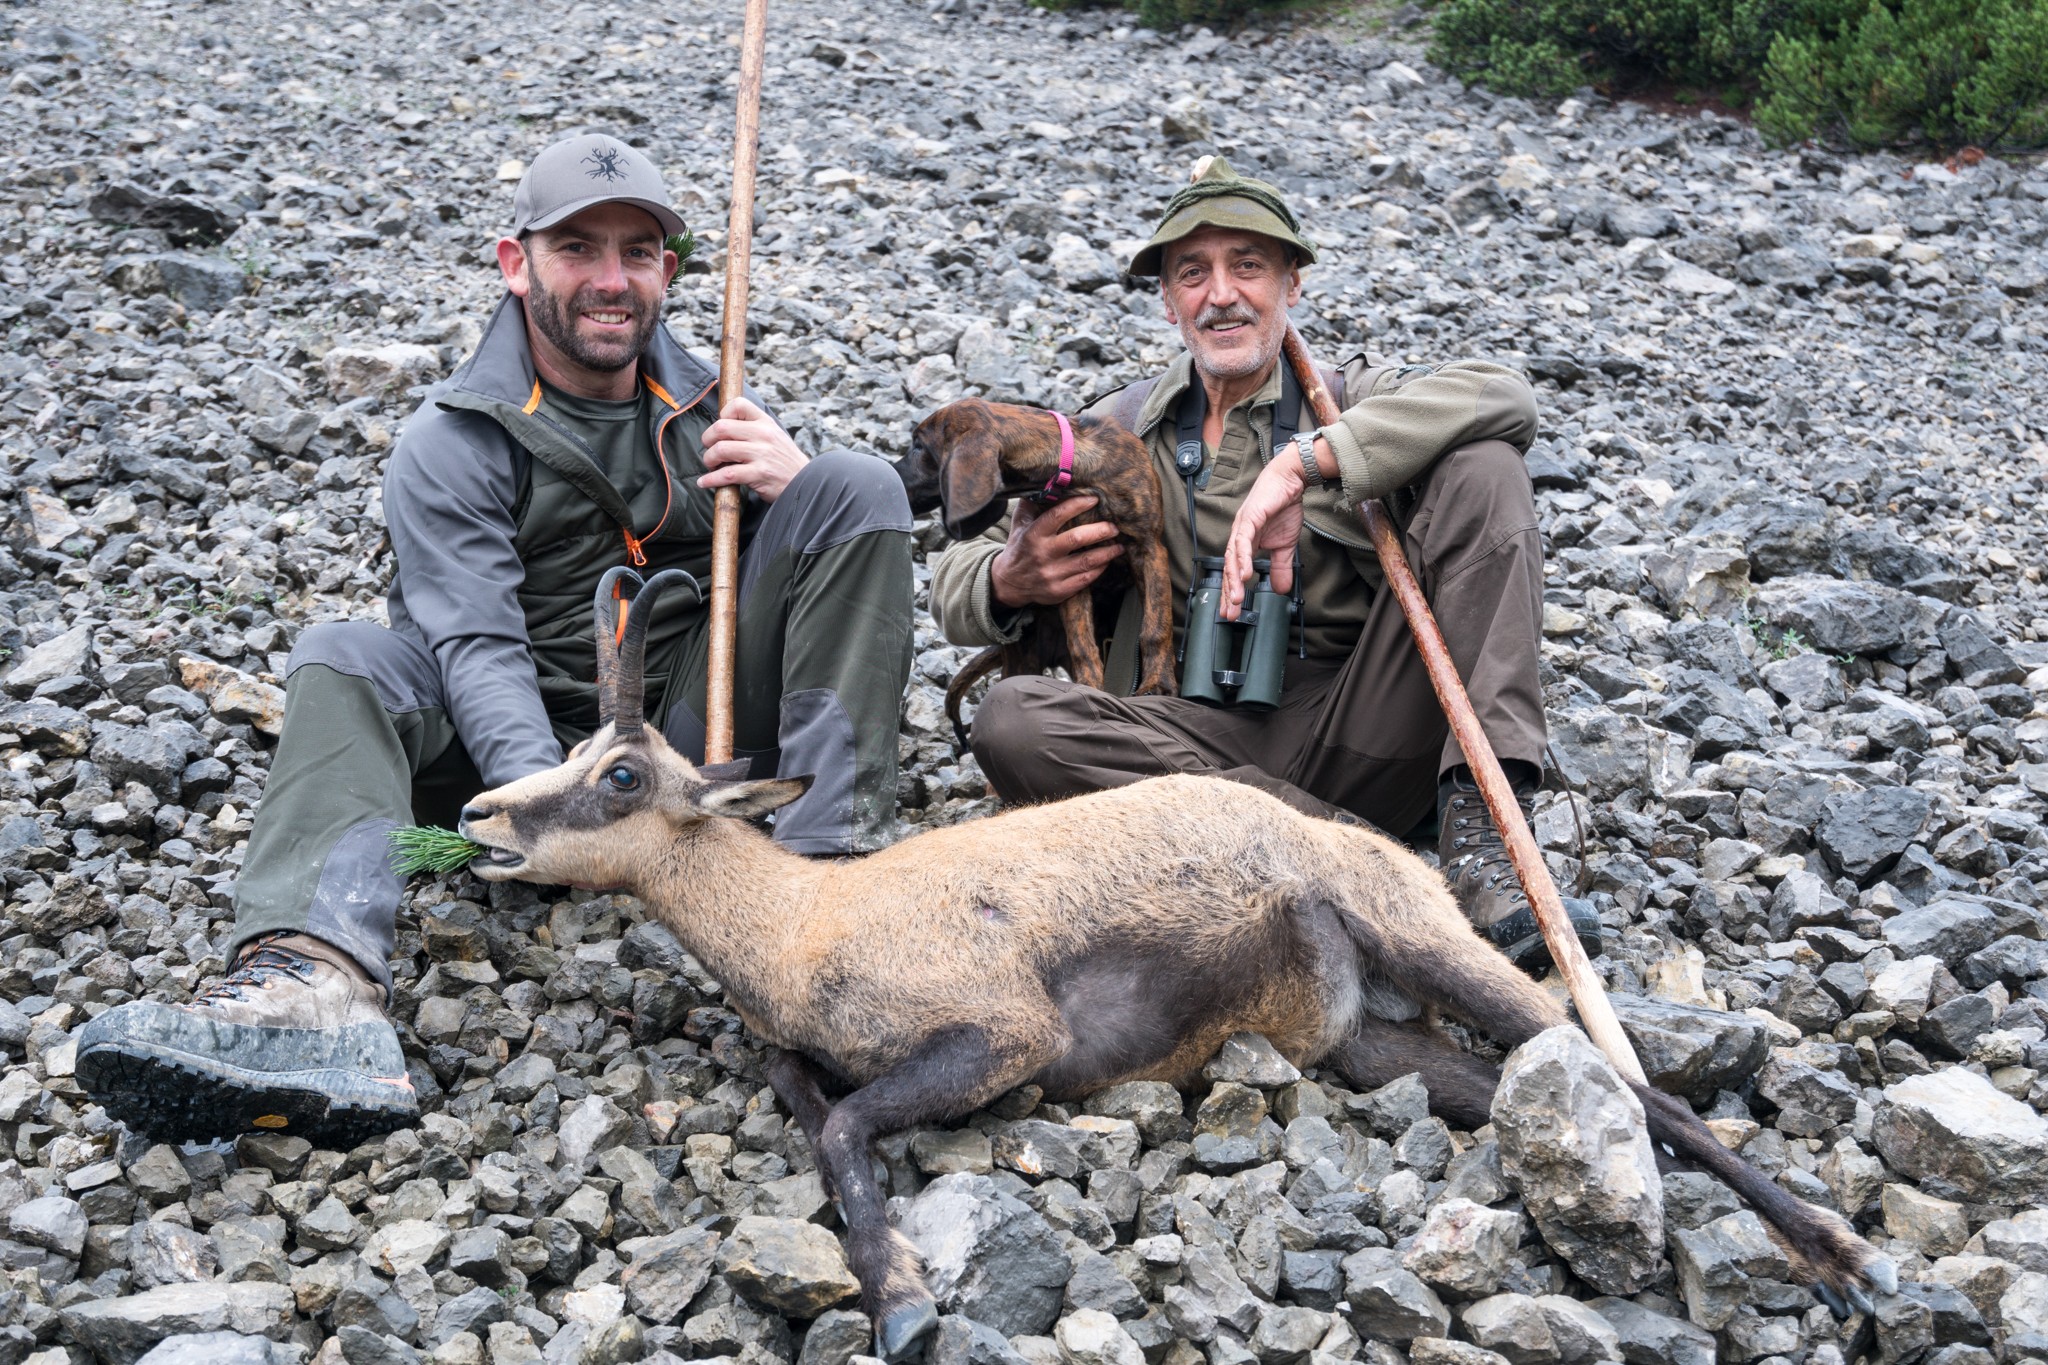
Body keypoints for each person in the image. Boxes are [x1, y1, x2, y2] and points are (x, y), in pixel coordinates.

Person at [77, 134, 915, 1146]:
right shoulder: (452, 440)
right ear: (516, 263)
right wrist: (556, 814)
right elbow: (473, 646)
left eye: (638, 252)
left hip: (682, 751)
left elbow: (843, 575)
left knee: (855, 485)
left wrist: (798, 485)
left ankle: (833, 914)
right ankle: (314, 987)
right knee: (344, 652)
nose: (612, 280)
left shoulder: (717, 412)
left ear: (669, 270)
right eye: (578, 249)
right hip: (506, 773)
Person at [930, 156, 1601, 975]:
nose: (1222, 294)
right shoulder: (1117, 430)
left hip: (1365, 720)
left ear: (1294, 282)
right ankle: (1340, 849)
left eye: (1248, 265)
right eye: (1193, 273)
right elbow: (951, 574)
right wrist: (1009, 577)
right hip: (1187, 750)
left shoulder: (1351, 400)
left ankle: (1484, 840)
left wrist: (1309, 463)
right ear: (1170, 301)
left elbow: (1507, 395)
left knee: (1484, 466)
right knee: (1014, 721)